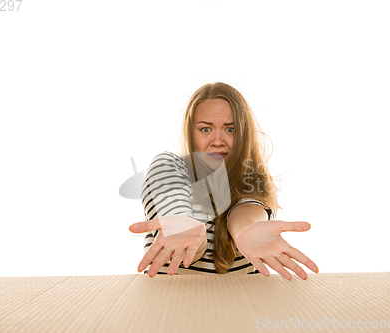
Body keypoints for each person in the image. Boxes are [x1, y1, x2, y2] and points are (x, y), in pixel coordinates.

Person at [129, 82, 319, 280]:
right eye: (205, 129)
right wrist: (184, 229)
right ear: (190, 132)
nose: (218, 140)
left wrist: (248, 230)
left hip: (239, 308)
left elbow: (245, 213)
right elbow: (173, 200)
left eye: (230, 129)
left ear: (243, 134)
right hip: (168, 306)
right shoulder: (169, 166)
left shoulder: (252, 179)